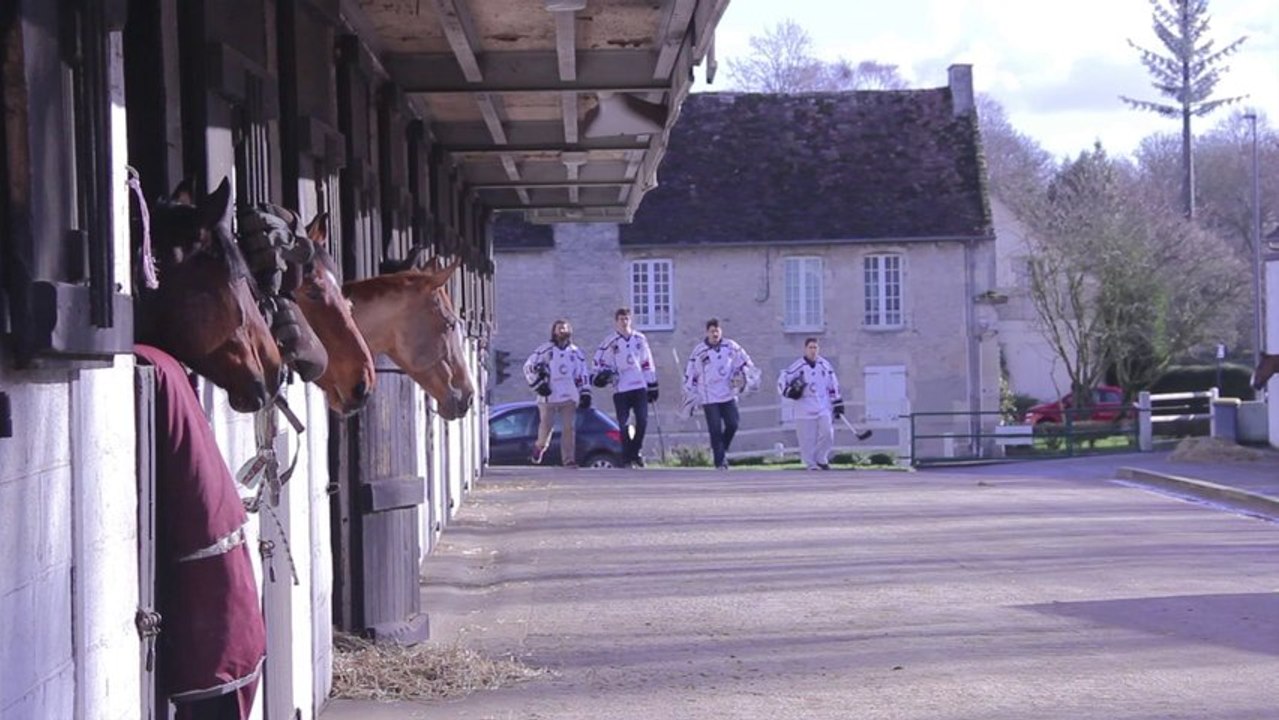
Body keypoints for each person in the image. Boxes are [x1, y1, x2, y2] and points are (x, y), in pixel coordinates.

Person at [682, 318, 759, 469]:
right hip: (709, 396)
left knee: (733, 423)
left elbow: (746, 362)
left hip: (728, 393)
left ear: (721, 331)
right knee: (715, 428)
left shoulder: (730, 347)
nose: (715, 334)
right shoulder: (699, 351)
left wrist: (743, 375)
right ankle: (720, 462)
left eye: (717, 330)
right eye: (712, 331)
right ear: (707, 333)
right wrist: (690, 393)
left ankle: (721, 451)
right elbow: (691, 373)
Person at [592, 307, 658, 467]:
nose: (624, 322)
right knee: (624, 424)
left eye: (627, 319)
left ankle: (636, 451)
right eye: (621, 319)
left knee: (642, 420)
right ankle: (628, 456)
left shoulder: (640, 339)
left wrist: (652, 384)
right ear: (617, 321)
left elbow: (647, 362)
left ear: (631, 320)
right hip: (621, 388)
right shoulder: (610, 342)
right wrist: (601, 376)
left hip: (639, 385)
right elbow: (598, 361)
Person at [777, 337, 855, 470]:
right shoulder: (798, 366)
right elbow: (783, 380)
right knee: (807, 439)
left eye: (815, 348)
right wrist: (789, 392)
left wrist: (837, 401)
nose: (813, 351)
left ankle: (821, 458)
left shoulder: (825, 365)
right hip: (804, 407)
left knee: (827, 433)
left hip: (823, 405)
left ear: (818, 349)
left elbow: (832, 384)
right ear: (805, 349)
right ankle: (811, 464)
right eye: (810, 348)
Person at [523, 319, 592, 467]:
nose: (562, 331)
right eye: (559, 329)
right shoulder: (545, 350)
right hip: (549, 395)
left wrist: (585, 392)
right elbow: (528, 366)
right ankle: (539, 447)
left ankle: (568, 460)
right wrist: (538, 384)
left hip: (569, 396)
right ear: (554, 331)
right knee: (546, 427)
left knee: (569, 428)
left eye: (565, 328)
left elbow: (583, 373)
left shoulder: (575, 352)